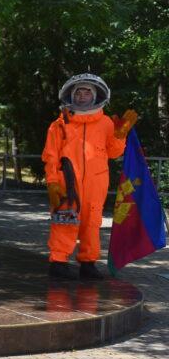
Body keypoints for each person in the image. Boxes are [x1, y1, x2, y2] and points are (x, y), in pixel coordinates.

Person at [43, 73, 137, 280]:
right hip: (67, 182)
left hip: (96, 182)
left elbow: (113, 152)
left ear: (95, 96)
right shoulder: (60, 124)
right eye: (79, 92)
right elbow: (50, 156)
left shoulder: (105, 123)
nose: (82, 96)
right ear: (71, 95)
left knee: (92, 222)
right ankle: (58, 262)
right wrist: (52, 182)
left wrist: (120, 135)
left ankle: (88, 263)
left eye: (87, 92)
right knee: (64, 221)